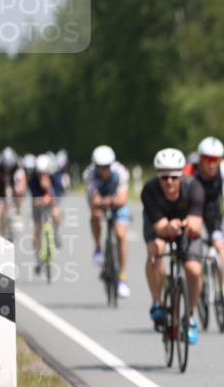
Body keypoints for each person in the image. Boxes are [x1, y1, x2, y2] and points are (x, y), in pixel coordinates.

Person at [142, 148, 206, 344]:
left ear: (181, 175)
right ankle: (157, 302)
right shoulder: (149, 190)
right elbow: (159, 227)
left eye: (173, 176)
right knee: (156, 250)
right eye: (164, 177)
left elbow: (196, 221)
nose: (169, 181)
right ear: (158, 177)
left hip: (186, 228)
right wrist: (168, 227)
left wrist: (188, 225)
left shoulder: (194, 187)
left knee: (194, 270)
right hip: (159, 225)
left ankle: (191, 316)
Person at [183, 136, 224, 311]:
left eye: (215, 160)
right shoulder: (189, 170)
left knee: (219, 245)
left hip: (212, 209)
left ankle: (221, 290)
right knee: (194, 243)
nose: (211, 164)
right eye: (207, 159)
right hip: (192, 207)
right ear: (200, 158)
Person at [84, 145, 132, 297]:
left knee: (120, 234)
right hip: (100, 201)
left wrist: (111, 201)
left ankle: (122, 278)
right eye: (100, 167)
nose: (104, 170)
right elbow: (94, 199)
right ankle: (98, 247)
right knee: (96, 215)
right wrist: (101, 202)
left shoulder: (121, 172)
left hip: (117, 201)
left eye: (107, 167)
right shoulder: (89, 174)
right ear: (95, 166)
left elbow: (122, 199)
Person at [28, 152, 64, 271]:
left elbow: (57, 196)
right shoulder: (33, 178)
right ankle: (37, 257)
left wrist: (48, 188)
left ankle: (57, 232)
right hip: (39, 202)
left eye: (44, 173)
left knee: (56, 213)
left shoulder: (55, 176)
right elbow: (35, 198)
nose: (41, 176)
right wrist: (42, 199)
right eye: (39, 173)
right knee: (37, 228)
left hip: (51, 198)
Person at [0, 147, 25, 239]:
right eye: (6, 167)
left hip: (13, 179)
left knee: (19, 192)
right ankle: (1, 233)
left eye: (10, 167)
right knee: (0, 210)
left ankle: (18, 213)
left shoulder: (18, 163)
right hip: (1, 182)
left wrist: (21, 191)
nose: (8, 169)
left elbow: (23, 179)